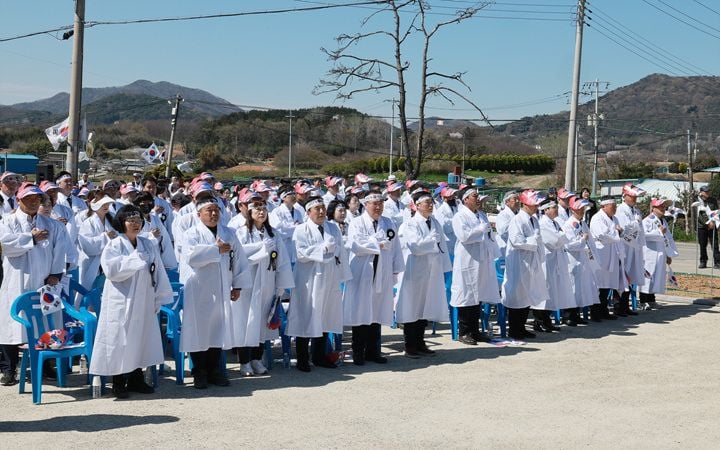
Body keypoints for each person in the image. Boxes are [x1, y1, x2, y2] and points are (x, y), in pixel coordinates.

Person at [89, 205, 173, 398]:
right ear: (122, 223)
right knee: (120, 339)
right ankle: (118, 381)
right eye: (131, 221)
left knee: (140, 337)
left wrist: (159, 295)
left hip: (144, 297)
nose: (136, 224)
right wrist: (135, 260)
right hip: (121, 299)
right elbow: (111, 271)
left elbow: (158, 269)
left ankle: (136, 378)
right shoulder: (114, 245)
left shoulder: (148, 244)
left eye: (138, 220)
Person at [180, 198, 251, 389]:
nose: (213, 214)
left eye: (216, 210)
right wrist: (215, 250)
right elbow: (191, 257)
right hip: (199, 290)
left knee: (217, 330)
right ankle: (199, 372)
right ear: (199, 214)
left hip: (222, 289)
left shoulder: (229, 233)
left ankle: (214, 370)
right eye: (209, 210)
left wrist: (238, 286)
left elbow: (239, 260)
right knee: (199, 331)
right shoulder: (191, 234)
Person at [0, 183, 66, 386]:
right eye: (28, 198)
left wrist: (55, 274)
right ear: (19, 199)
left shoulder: (53, 225)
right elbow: (6, 245)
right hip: (16, 279)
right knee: (12, 324)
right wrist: (31, 238)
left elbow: (60, 249)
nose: (33, 201)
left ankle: (44, 365)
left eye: (37, 198)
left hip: (43, 281)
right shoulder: (7, 221)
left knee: (45, 322)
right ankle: (9, 368)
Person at [288, 196, 351, 371]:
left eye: (323, 208)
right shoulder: (301, 230)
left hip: (329, 277)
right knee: (306, 316)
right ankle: (302, 359)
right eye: (317, 208)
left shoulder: (333, 228)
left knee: (325, 316)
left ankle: (319, 356)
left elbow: (341, 251)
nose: (322, 211)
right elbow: (300, 253)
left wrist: (343, 274)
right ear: (308, 212)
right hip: (309, 280)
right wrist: (323, 250)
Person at [232, 199, 293, 376]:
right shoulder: (241, 232)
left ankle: (256, 359)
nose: (261, 212)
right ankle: (244, 361)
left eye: (264, 209)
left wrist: (281, 284)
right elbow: (238, 255)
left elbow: (282, 260)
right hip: (248, 284)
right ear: (250, 212)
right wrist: (260, 248)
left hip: (267, 282)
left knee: (261, 323)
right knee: (246, 321)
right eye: (257, 209)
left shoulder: (273, 234)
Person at [343, 191, 405, 365]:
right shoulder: (357, 223)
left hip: (382, 272)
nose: (378, 207)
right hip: (362, 273)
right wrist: (378, 243)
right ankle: (358, 352)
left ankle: (373, 351)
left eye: (381, 204)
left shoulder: (388, 223)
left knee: (376, 312)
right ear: (366, 205)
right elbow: (356, 245)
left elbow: (395, 247)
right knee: (361, 312)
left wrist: (396, 270)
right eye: (375, 204)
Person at [396, 191, 451, 357]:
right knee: (412, 307)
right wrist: (432, 240)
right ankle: (410, 345)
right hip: (414, 270)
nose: (430, 205)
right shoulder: (410, 224)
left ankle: (420, 342)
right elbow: (415, 246)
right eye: (427, 202)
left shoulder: (435, 222)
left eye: (431, 202)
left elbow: (442, 246)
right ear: (417, 205)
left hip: (432, 269)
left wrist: (444, 267)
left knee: (425, 307)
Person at [450, 188, 501, 345]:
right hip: (468, 260)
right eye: (475, 196)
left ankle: (475, 331)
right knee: (467, 296)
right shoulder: (459, 217)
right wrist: (480, 229)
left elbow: (489, 235)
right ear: (465, 199)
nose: (478, 199)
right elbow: (464, 236)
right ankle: (464, 332)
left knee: (478, 296)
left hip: (482, 260)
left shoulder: (481, 215)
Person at [501, 189, 550, 340]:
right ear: (525, 204)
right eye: (534, 204)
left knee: (527, 294)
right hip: (519, 262)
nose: (537, 206)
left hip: (530, 261)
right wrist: (534, 241)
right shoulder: (517, 220)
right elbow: (516, 241)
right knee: (517, 295)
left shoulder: (534, 219)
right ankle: (514, 330)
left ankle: (521, 328)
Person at [536, 200, 573, 332]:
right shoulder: (543, 224)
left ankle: (547, 321)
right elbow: (555, 241)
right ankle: (540, 321)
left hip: (555, 261)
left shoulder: (555, 223)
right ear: (546, 210)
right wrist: (561, 237)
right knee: (544, 291)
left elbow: (563, 238)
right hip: (547, 261)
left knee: (552, 292)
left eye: (556, 207)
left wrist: (561, 237)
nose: (556, 209)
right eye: (553, 207)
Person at [561, 197, 598, 326]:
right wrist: (582, 240)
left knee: (580, 289)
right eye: (579, 209)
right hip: (572, 260)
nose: (582, 211)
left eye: (583, 208)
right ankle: (567, 316)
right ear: (572, 210)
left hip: (582, 259)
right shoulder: (568, 224)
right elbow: (569, 244)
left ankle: (576, 314)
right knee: (572, 288)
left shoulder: (582, 223)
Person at [589, 196, 626, 321]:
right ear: (604, 206)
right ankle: (595, 312)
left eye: (615, 206)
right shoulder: (597, 218)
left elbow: (618, 232)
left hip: (612, 254)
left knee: (607, 284)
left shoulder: (614, 218)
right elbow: (601, 234)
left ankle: (604, 310)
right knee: (599, 284)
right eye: (612, 206)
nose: (615, 208)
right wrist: (616, 232)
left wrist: (618, 232)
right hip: (601, 254)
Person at [640, 198, 679, 310]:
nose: (663, 208)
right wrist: (658, 232)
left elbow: (668, 238)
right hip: (649, 253)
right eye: (660, 206)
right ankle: (643, 301)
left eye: (664, 206)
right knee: (647, 276)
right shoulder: (647, 220)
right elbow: (643, 235)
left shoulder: (663, 221)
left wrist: (669, 254)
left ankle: (651, 300)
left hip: (660, 253)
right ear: (653, 208)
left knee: (656, 276)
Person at [615, 184, 646, 317]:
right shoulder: (621, 210)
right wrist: (636, 223)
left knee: (630, 276)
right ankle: (619, 306)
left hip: (634, 247)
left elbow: (641, 230)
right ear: (625, 196)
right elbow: (624, 228)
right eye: (632, 196)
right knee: (623, 276)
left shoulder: (636, 211)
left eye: (635, 197)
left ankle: (625, 306)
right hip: (625, 246)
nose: (634, 199)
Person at [77, 194, 117, 292]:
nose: (106, 206)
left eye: (107, 203)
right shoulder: (88, 223)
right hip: (92, 263)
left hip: (109, 261)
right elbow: (87, 246)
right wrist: (106, 237)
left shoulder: (112, 220)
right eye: (103, 204)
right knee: (90, 291)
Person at [693, 185, 720, 269]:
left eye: (708, 191)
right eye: (706, 191)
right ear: (701, 192)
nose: (708, 192)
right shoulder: (697, 201)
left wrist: (713, 222)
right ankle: (703, 261)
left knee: (715, 245)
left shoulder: (713, 200)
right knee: (702, 245)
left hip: (712, 225)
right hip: (701, 227)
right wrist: (707, 223)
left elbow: (716, 212)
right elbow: (699, 216)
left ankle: (717, 262)